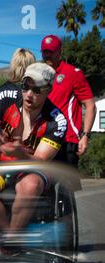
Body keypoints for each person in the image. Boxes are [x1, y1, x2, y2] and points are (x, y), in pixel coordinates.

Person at [0, 62, 67, 235]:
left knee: (30, 186)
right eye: (25, 87)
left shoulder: (57, 120)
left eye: (37, 90)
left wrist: (20, 153)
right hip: (3, 164)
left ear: (48, 91)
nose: (29, 95)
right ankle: (11, 235)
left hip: (33, 170)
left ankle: (10, 241)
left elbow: (40, 161)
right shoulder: (6, 97)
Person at [41, 34, 97, 167]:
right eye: (45, 52)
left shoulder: (73, 73)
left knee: (64, 186)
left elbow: (90, 106)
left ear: (60, 52)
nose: (47, 55)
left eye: (51, 52)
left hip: (67, 140)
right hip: (43, 138)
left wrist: (85, 136)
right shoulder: (39, 74)